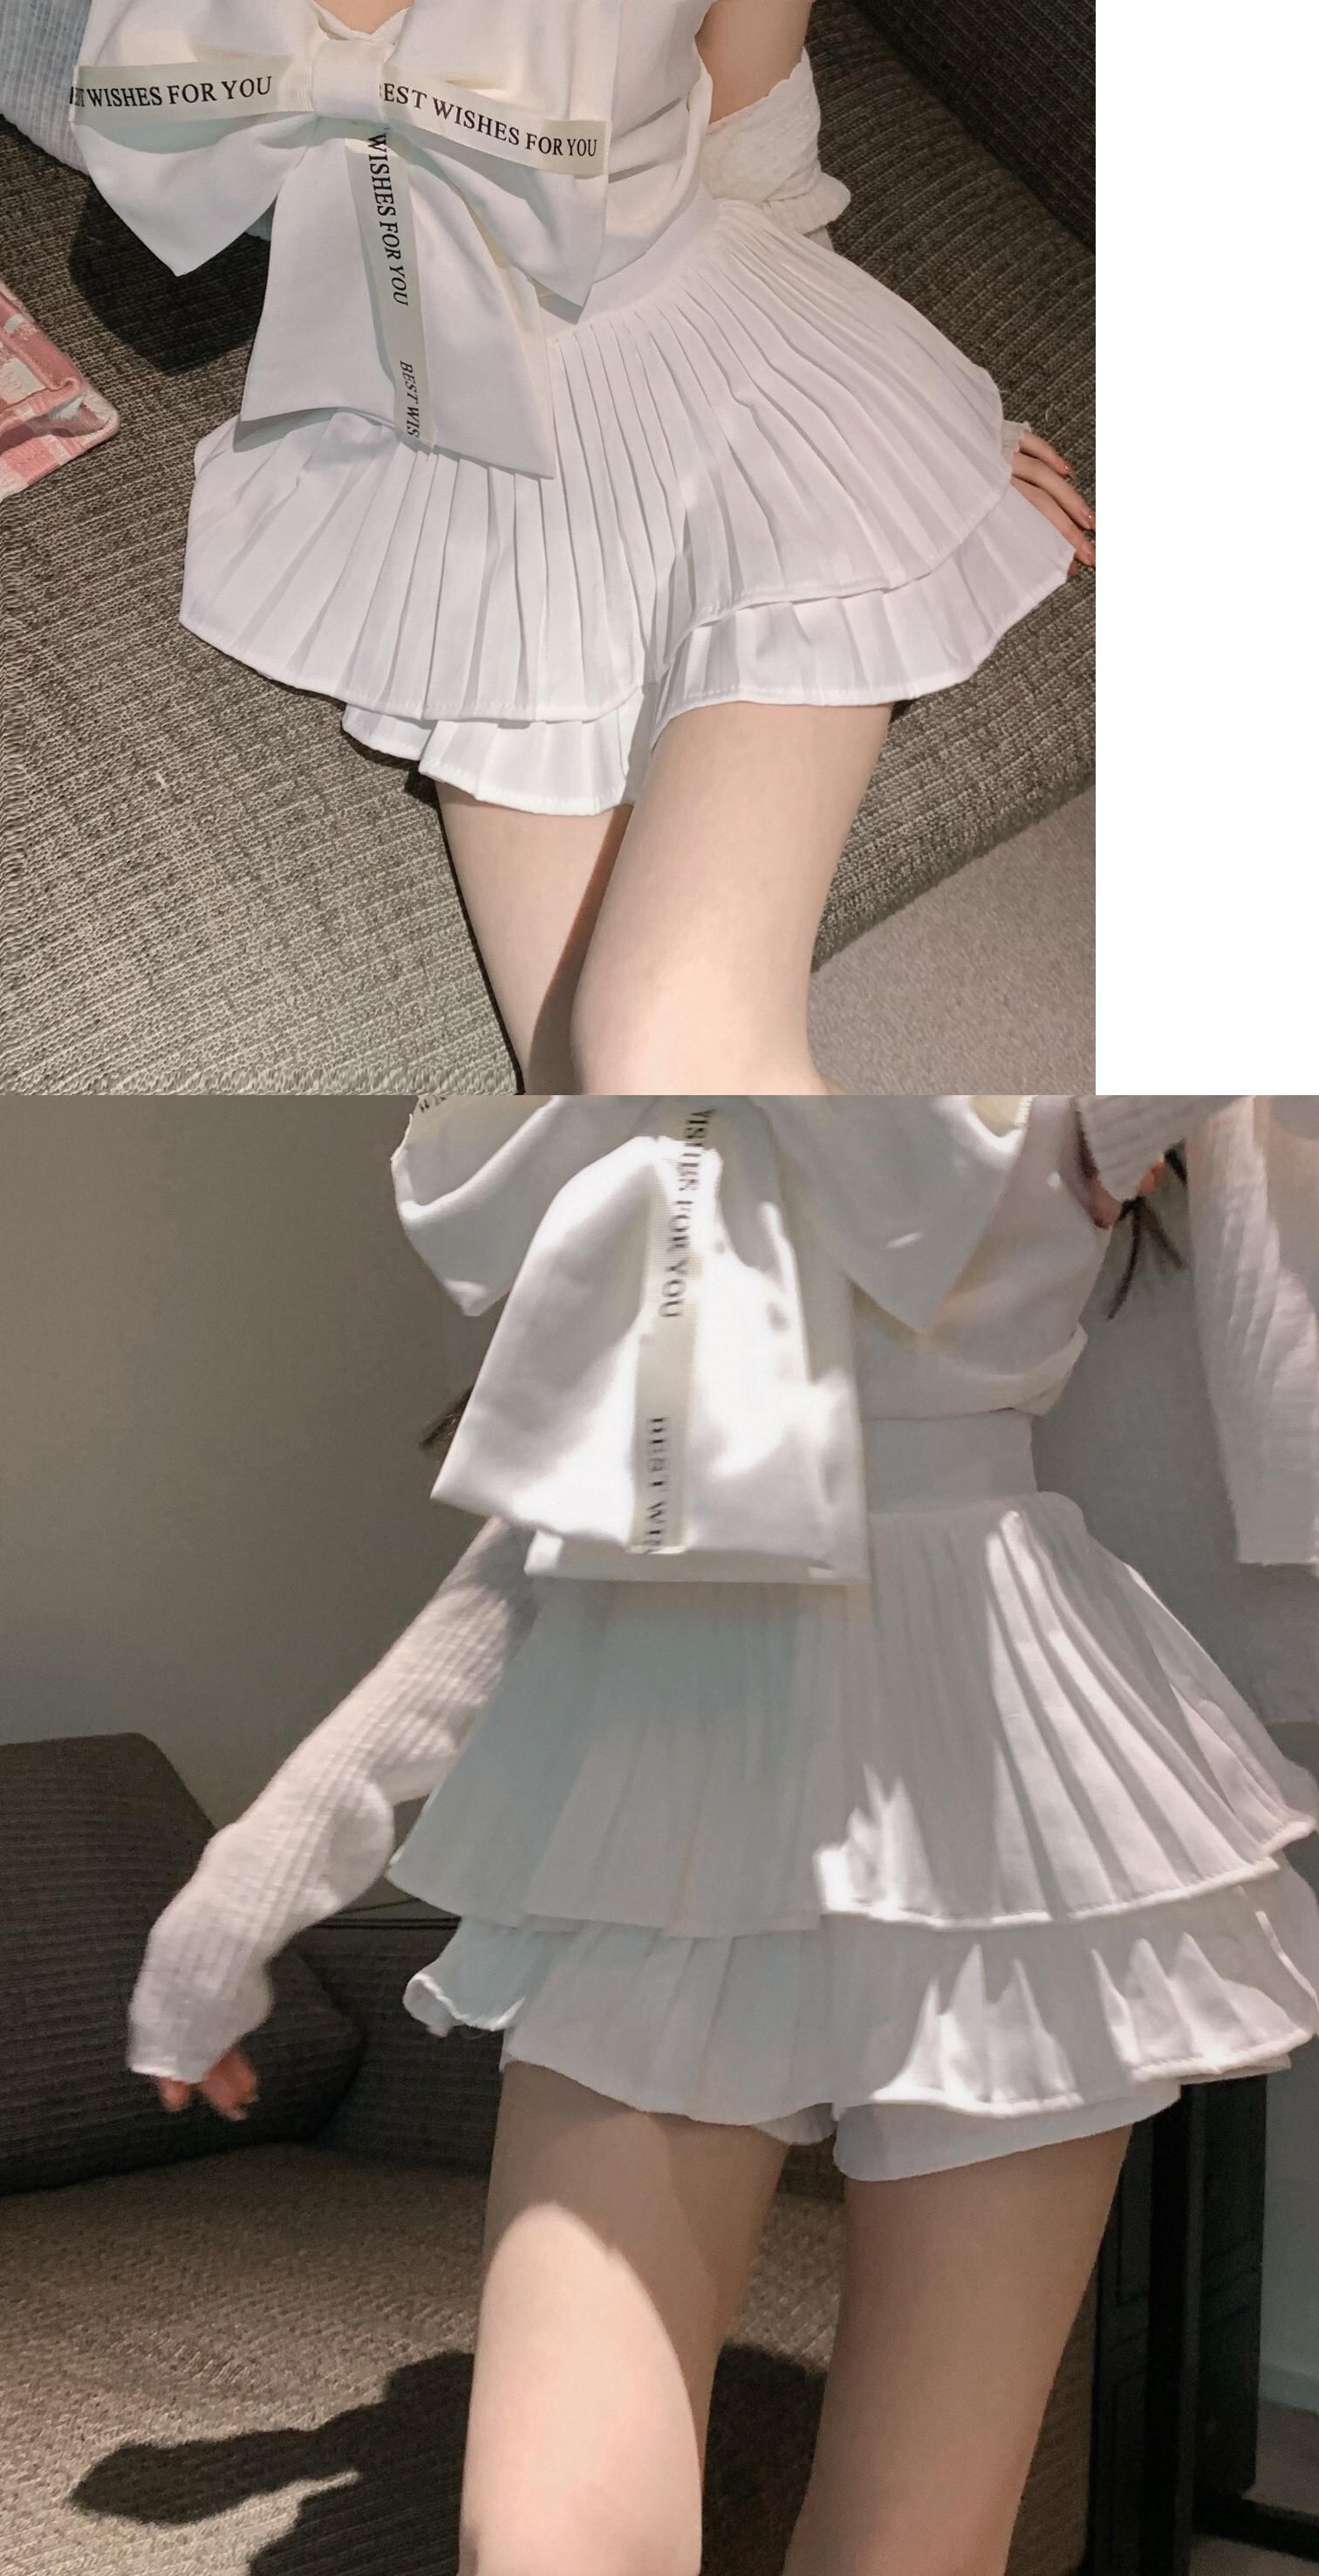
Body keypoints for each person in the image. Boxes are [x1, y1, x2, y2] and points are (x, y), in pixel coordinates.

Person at [128, 1095, 1319, 2576]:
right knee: (561, 2544)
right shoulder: (624, 1059)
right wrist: (250, 1880)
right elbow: (563, 1529)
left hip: (995, 1774)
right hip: (701, 1785)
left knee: (908, 2552)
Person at [68, 0, 1093, 1092]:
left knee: (663, 1038)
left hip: (729, 367)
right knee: (588, 1106)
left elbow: (750, 136)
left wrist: (894, 428)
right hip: (444, 438)